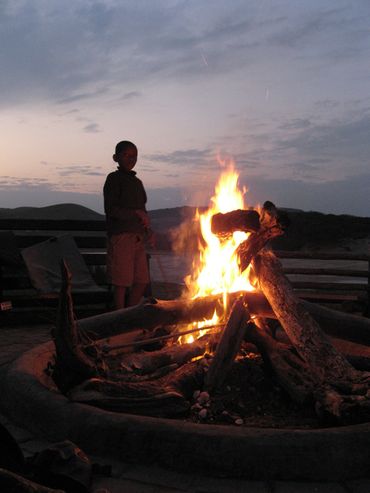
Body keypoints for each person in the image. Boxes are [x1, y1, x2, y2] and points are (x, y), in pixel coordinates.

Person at [103, 140, 153, 309]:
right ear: (115, 157)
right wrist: (135, 213)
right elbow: (111, 210)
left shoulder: (137, 183)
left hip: (138, 238)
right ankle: (118, 317)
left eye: (134, 156)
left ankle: (129, 314)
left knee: (141, 281)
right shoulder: (113, 179)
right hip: (121, 236)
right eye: (126, 155)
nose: (131, 159)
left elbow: (142, 211)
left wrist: (148, 230)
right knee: (121, 282)